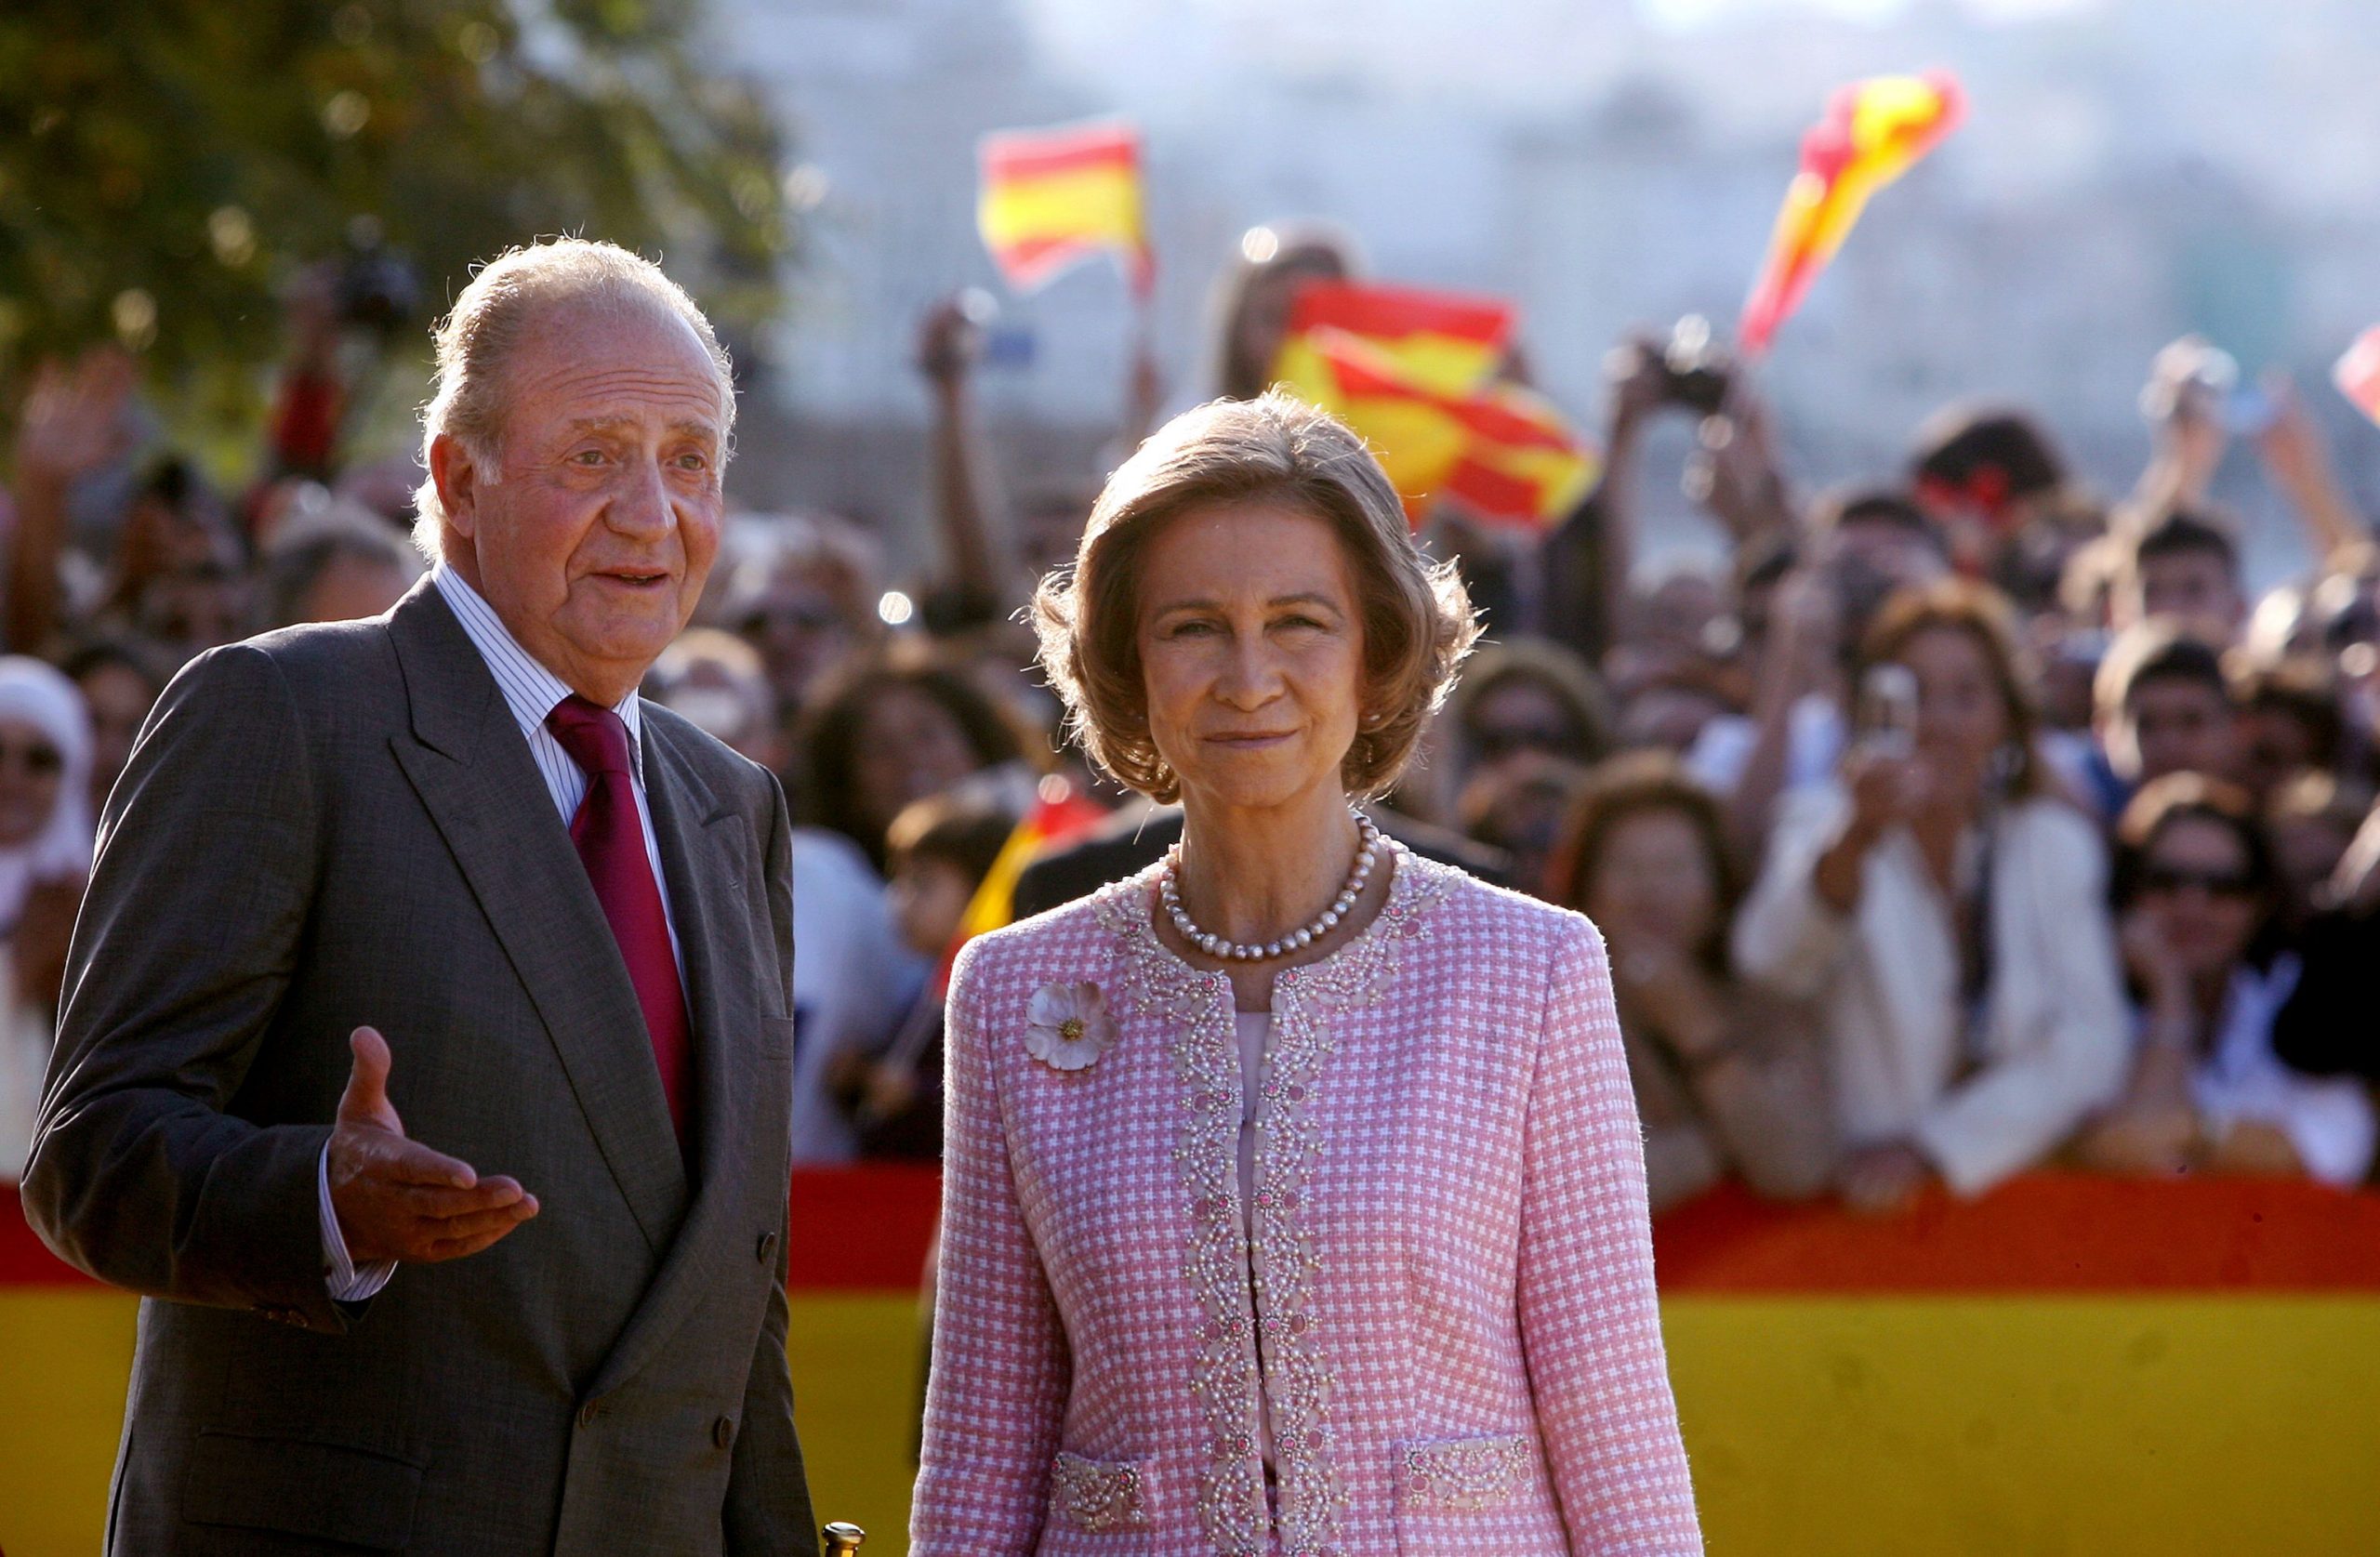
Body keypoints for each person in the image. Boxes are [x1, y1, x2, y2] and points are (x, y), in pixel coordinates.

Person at [21, 238, 819, 1554]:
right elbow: (93, 1152)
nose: (651, 509)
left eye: (690, 459)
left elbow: (735, 1290)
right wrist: (323, 1200)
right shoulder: (282, 712)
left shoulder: (731, 800)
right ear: (460, 478)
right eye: (593, 453)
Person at [912, 392, 1700, 1553]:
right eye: (1191, 626)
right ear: (1125, 662)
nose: (1246, 675)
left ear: (1380, 655)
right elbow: (983, 1443)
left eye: (1298, 621)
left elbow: (1612, 1411)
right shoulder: (1012, 989)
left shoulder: (1530, 971)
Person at [1734, 579, 2130, 1210]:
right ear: (1869, 711)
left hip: (2011, 1211)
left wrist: (1935, 1148)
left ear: (2006, 717)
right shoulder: (1819, 822)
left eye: (1966, 695)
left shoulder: (2054, 844)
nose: (1938, 722)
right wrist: (1859, 834)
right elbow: (1771, 961)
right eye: (1911, 694)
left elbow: (2091, 1043)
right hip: (1850, 1224)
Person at [1548, 752, 1834, 1211]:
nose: (1651, 891)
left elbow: (1797, 1168)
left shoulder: (1768, 1006)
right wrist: (1722, 1143)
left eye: (1675, 867)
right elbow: (1579, 1193)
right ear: (1586, 891)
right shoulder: (1551, 1018)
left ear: (1718, 891)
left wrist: (1698, 1029)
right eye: (1627, 867)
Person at [2075, 776, 2374, 1184]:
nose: (2192, 905)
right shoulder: (2083, 1009)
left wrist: (2196, 1131)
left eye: (2224, 887)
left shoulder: (2298, 1000)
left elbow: (2334, 1149)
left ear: (2261, 903)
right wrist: (2170, 996)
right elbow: (2135, 1158)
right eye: (2166, 881)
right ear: (2129, 893)